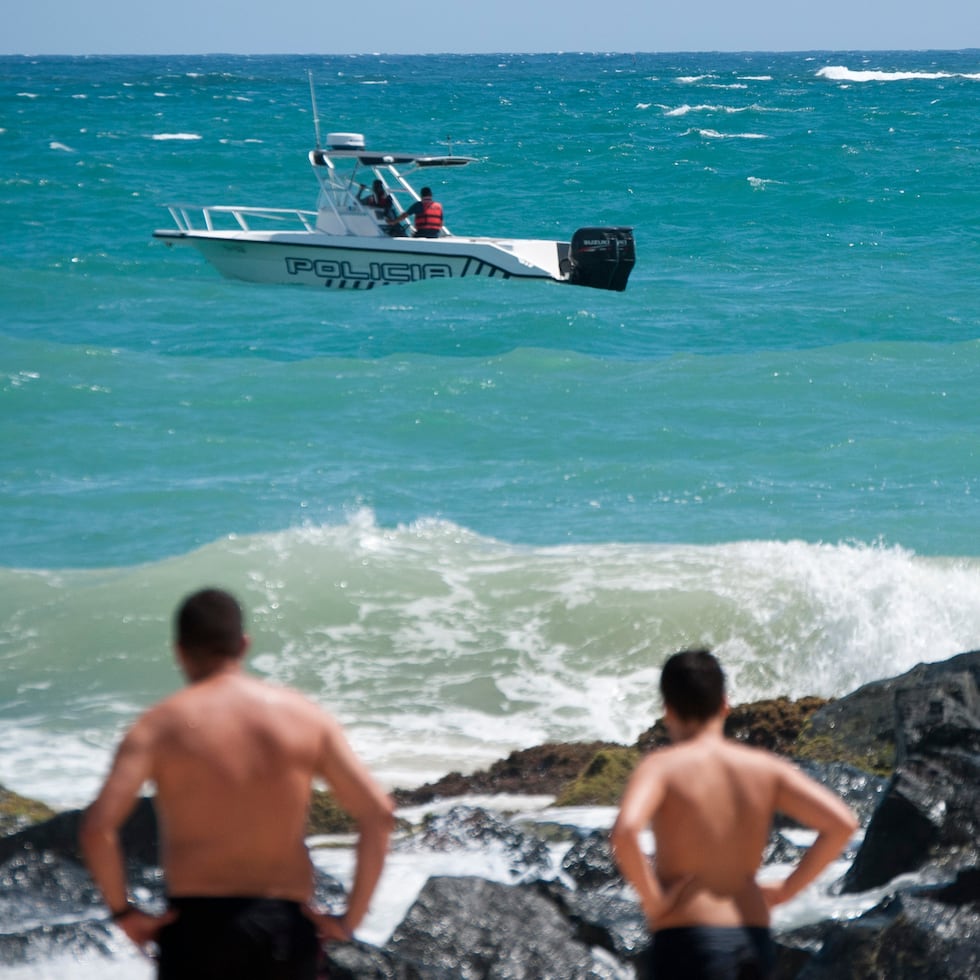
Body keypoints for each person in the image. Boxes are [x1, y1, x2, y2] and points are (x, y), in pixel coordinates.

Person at [79, 587, 395, 979]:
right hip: (283, 929)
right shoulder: (304, 718)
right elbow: (378, 813)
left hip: (197, 931)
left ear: (179, 651)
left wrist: (124, 913)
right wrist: (350, 919)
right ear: (243, 644)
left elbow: (97, 828)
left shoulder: (159, 726)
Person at [611, 649, 857, 980]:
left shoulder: (661, 766)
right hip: (752, 937)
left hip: (688, 938)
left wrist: (654, 903)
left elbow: (626, 831)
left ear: (667, 709)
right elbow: (842, 824)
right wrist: (787, 889)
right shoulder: (763, 768)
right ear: (725, 704)